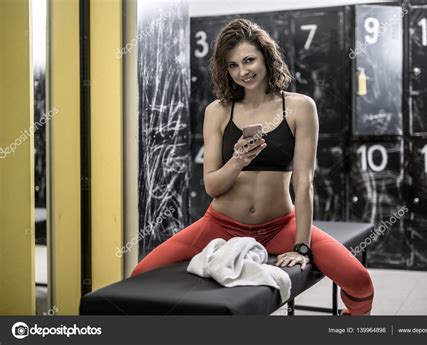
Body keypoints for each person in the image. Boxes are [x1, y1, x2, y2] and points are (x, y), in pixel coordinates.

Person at [131, 18, 374, 316]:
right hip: (220, 225)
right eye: (233, 65)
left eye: (249, 60)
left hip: (280, 227)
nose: (243, 72)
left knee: (360, 281)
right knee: (140, 274)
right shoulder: (217, 111)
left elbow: (304, 184)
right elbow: (212, 186)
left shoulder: (300, 107)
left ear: (266, 58)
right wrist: (238, 160)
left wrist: (301, 246)